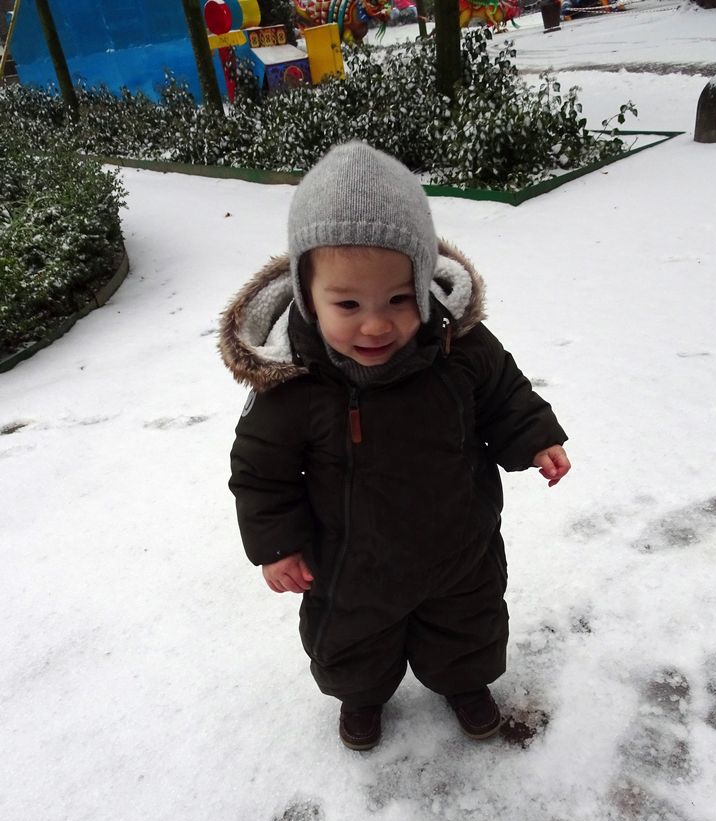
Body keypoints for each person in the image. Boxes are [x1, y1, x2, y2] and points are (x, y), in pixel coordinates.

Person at [219, 141, 570, 751]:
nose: (376, 324)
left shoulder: (459, 346)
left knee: (468, 625)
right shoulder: (292, 385)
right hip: (351, 562)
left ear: (423, 284)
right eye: (348, 304)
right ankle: (362, 698)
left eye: (398, 300)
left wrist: (535, 435)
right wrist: (276, 545)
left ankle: (464, 683)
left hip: (458, 541)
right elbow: (260, 473)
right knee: (353, 643)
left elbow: (504, 392)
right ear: (308, 295)